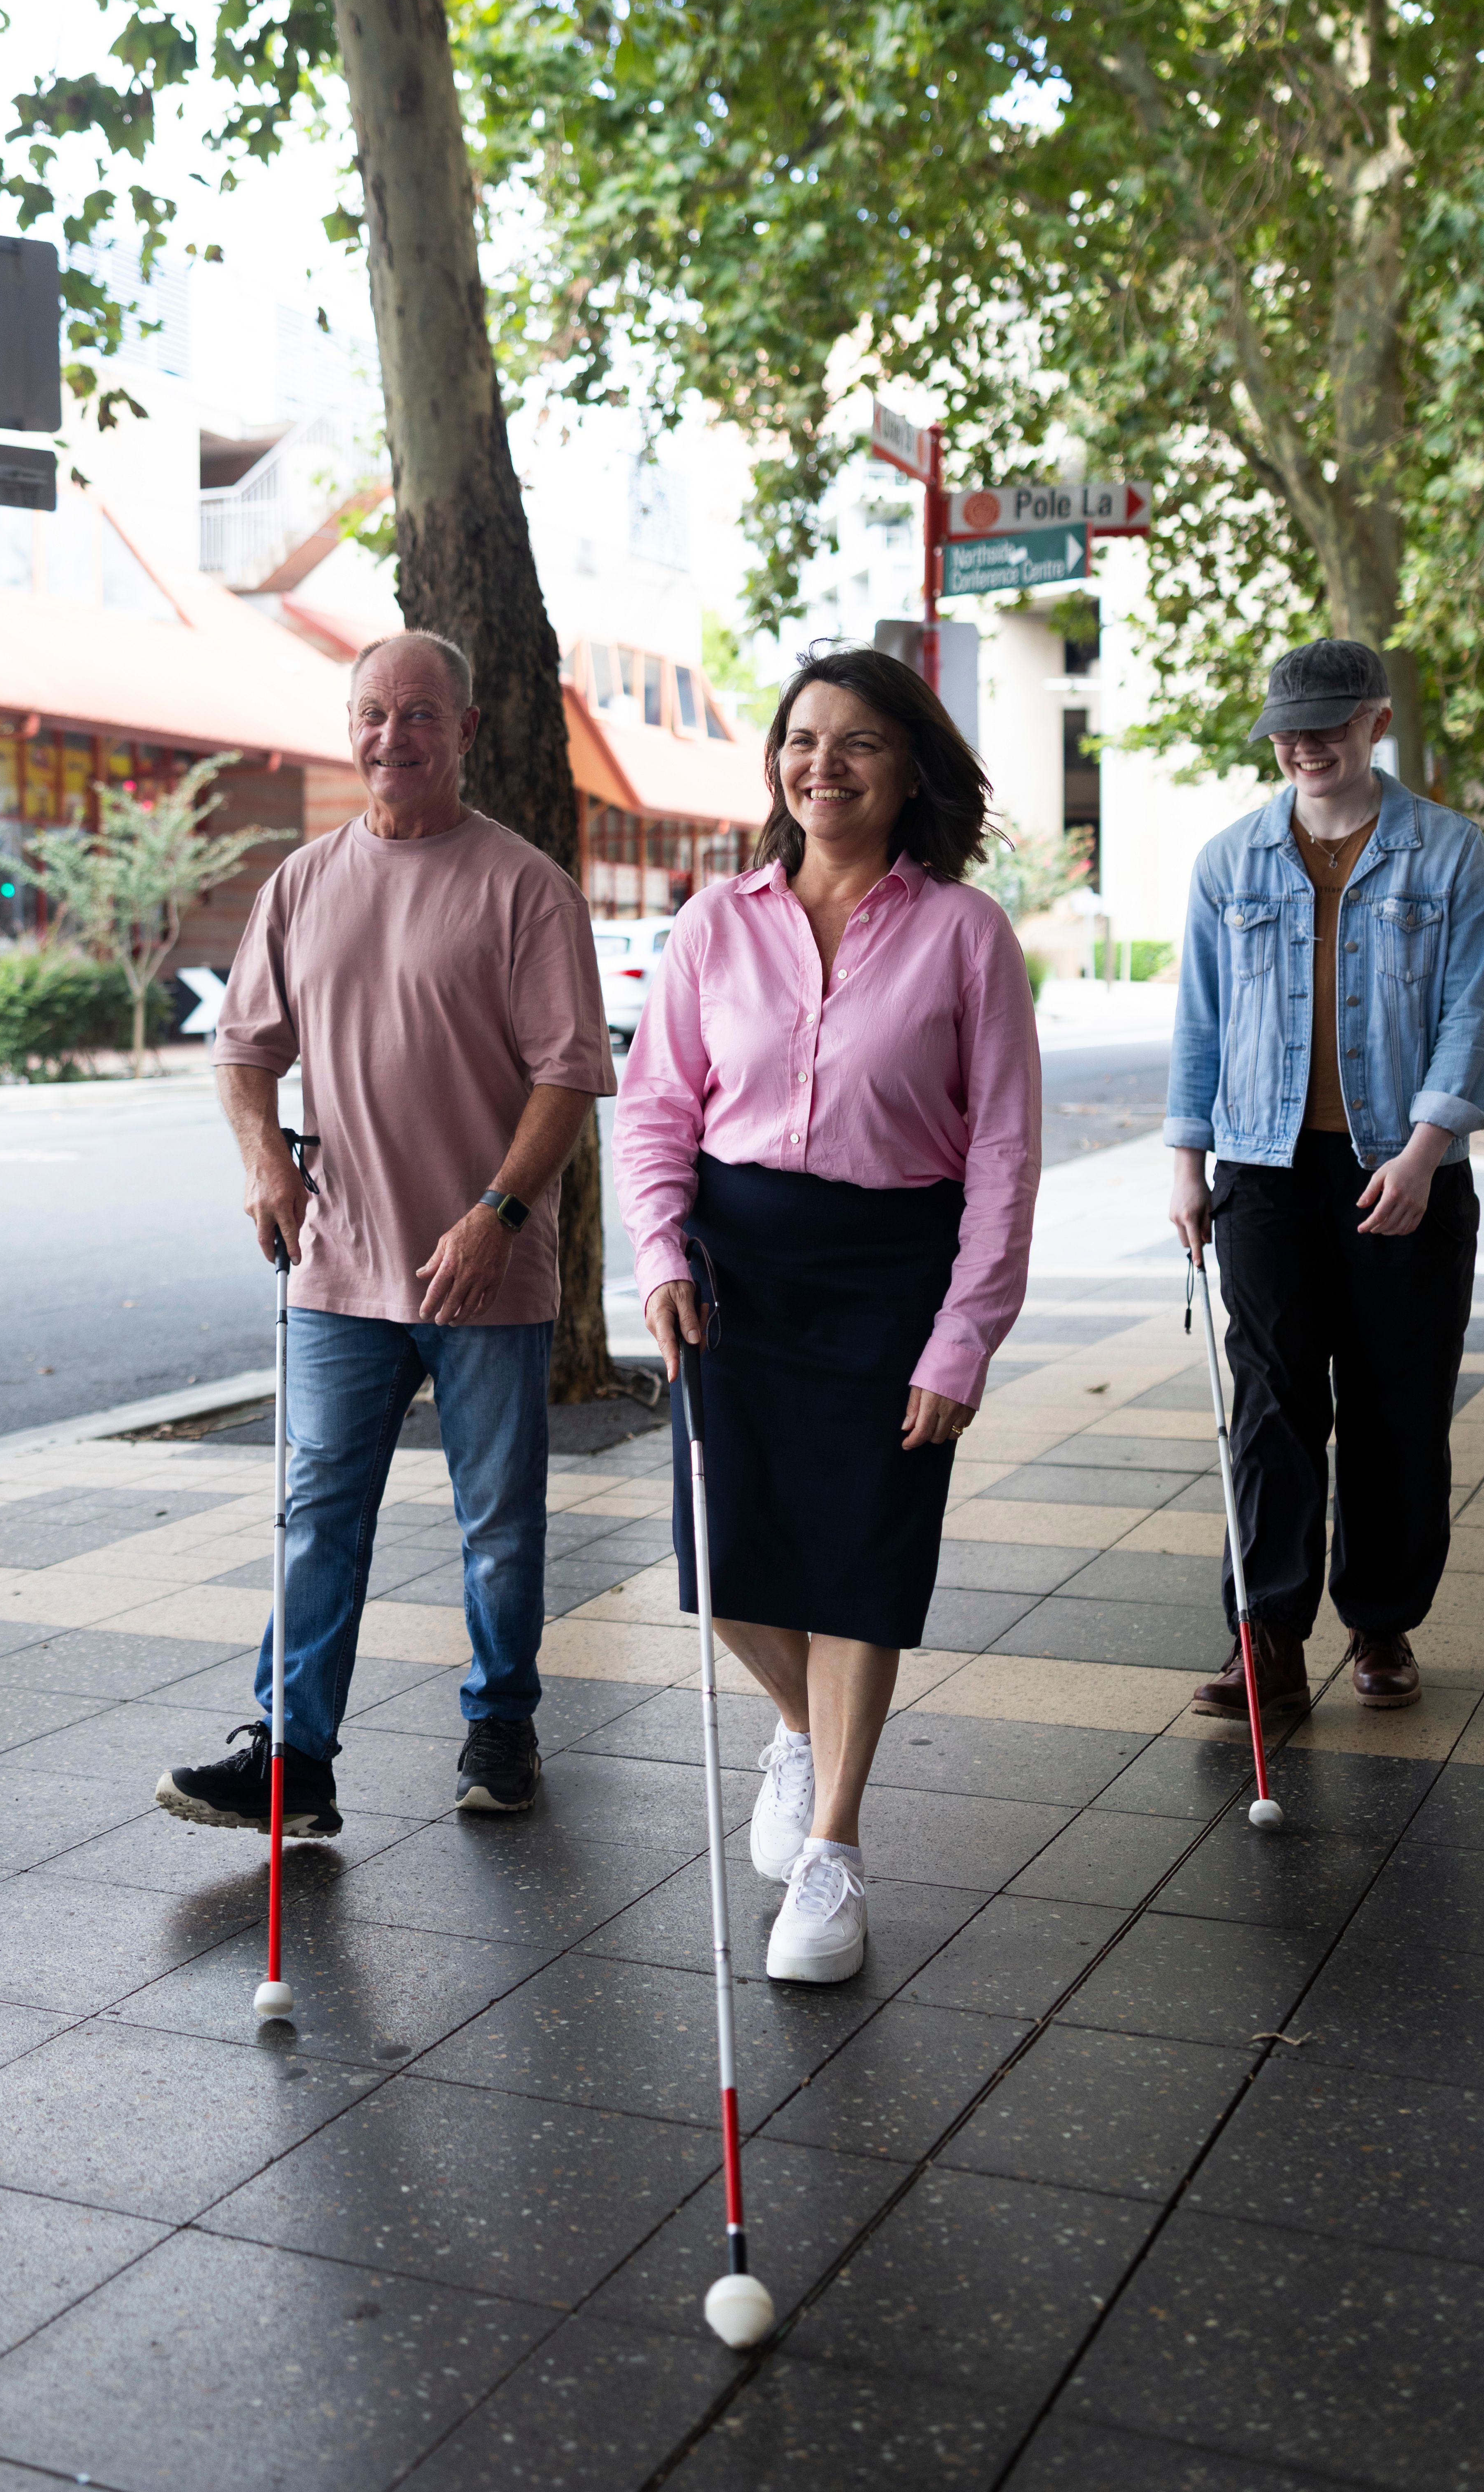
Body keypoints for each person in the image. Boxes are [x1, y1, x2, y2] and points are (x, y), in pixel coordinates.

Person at [612, 646, 1041, 1985]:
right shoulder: (712, 923)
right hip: (735, 1268)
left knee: (863, 1559)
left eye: (857, 742)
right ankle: (800, 1733)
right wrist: (659, 1253)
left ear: (908, 766)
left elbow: (1006, 1155)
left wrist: (963, 1335)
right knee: (724, 1560)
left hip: (889, 1275)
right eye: (803, 739)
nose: (823, 764)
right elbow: (654, 1111)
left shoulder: (966, 934)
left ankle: (834, 1853)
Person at [156, 630, 615, 1837]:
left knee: (499, 1522)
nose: (391, 735)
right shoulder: (302, 883)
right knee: (316, 1515)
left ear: (465, 731)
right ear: (348, 727)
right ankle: (293, 1759)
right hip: (337, 1264)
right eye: (372, 712)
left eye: (419, 715)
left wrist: (496, 1215)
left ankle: (500, 1725)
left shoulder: (526, 888)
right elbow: (245, 1050)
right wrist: (264, 1159)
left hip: (484, 1265)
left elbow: (567, 1079)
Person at [1166, 637, 1484, 1722]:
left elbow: (1469, 1014)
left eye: (1324, 723)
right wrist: (1185, 1161)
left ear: (1372, 721)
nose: (1302, 744)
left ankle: (1381, 1621)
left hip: (1400, 1168)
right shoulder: (1227, 862)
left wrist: (1421, 1152)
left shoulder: (1446, 854)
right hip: (1261, 1170)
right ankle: (1263, 1638)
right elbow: (1200, 1021)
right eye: (1286, 726)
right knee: (1269, 1406)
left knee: (1393, 1404)